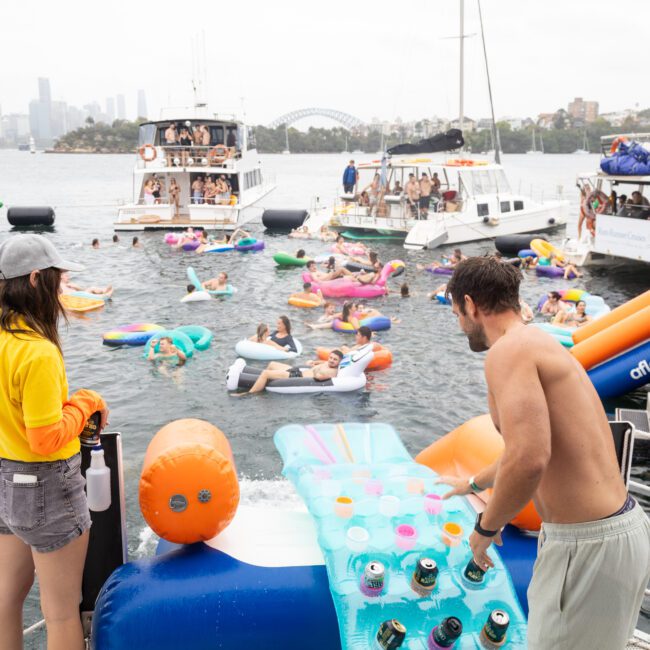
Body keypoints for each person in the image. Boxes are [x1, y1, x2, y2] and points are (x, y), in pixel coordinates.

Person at [438, 256, 650, 650]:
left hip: (587, 545)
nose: (460, 325)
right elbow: (530, 447)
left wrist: (486, 528)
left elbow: (530, 458)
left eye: (456, 314)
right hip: (618, 532)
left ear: (471, 304)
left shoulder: (507, 352)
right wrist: (471, 482)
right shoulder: (537, 342)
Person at [0, 235, 108, 650]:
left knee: (6, 601)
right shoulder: (37, 351)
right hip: (45, 486)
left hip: (5, 478)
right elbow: (45, 439)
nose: (61, 291)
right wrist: (85, 403)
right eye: (57, 281)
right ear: (34, 279)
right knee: (61, 612)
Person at [234, 350, 343, 395]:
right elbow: (323, 363)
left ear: (339, 362)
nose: (331, 360)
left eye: (335, 360)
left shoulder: (333, 371)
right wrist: (314, 362)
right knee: (272, 364)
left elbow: (320, 377)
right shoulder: (327, 363)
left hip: (297, 376)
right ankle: (259, 383)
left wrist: (317, 373)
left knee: (266, 373)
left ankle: (248, 393)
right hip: (298, 370)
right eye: (331, 358)